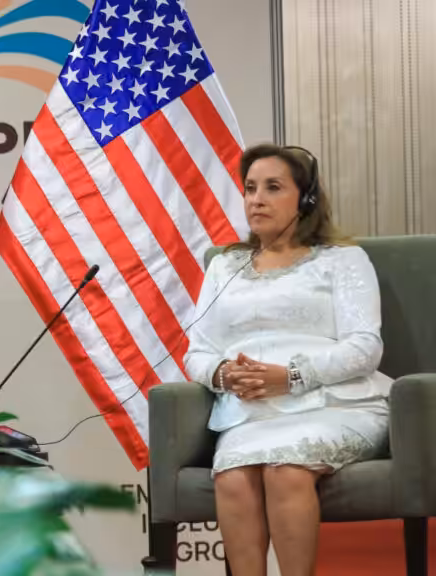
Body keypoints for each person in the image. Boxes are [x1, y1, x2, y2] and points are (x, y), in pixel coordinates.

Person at [183, 144, 391, 576]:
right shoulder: (225, 266)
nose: (256, 199)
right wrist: (224, 375)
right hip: (251, 412)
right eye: (250, 188)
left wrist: (292, 376)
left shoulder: (342, 260)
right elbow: (197, 351)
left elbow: (365, 347)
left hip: (336, 403)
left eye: (273, 187)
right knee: (232, 479)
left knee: (285, 471)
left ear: (306, 199)